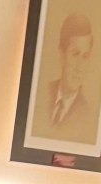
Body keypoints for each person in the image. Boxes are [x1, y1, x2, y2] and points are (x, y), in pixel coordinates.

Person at [33, 13, 98, 145]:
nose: (80, 67)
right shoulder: (40, 95)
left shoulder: (89, 117)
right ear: (62, 55)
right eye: (75, 54)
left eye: (85, 56)